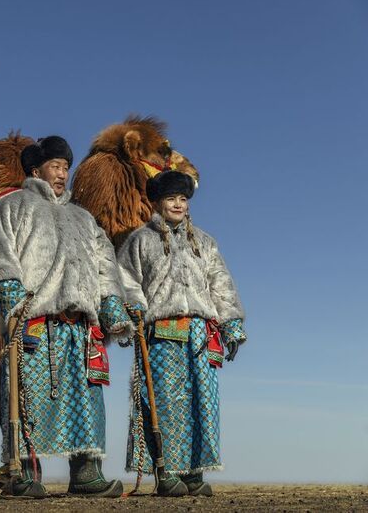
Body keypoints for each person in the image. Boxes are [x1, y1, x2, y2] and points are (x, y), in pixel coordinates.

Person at [0, 136, 133, 498]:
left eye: (66, 167)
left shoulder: (84, 219)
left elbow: (105, 265)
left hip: (80, 328)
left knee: (87, 402)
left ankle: (87, 473)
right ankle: (24, 474)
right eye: (56, 166)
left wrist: (111, 307)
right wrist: (12, 302)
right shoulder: (11, 208)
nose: (63, 173)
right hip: (35, 323)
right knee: (28, 400)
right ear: (35, 170)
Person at [118, 170, 246, 497]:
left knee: (202, 406)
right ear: (158, 203)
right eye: (171, 199)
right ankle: (166, 472)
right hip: (161, 334)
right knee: (164, 405)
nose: (178, 204)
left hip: (201, 334)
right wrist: (133, 309)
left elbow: (221, 283)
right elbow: (127, 281)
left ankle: (193, 473)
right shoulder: (140, 240)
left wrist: (231, 323)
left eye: (183, 199)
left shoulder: (204, 242)